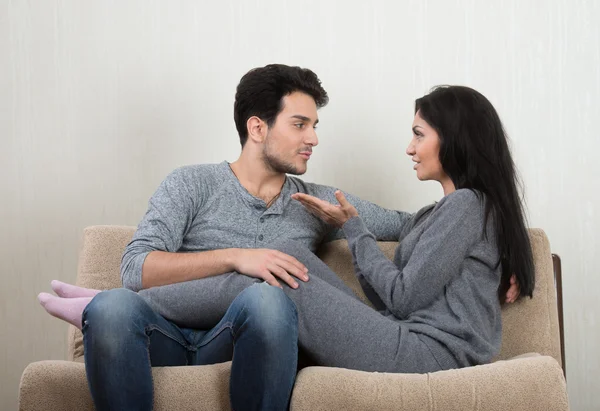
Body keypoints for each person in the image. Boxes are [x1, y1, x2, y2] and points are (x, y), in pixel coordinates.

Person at [38, 67, 522, 409]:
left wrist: (508, 256)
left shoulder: (322, 201)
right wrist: (240, 257)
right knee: (279, 256)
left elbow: (410, 235)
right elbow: (429, 236)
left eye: (315, 125)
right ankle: (111, 304)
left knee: (273, 279)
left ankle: (104, 303)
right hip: (172, 336)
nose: (313, 138)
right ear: (257, 127)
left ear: (453, 139)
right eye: (300, 124)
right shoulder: (191, 183)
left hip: (386, 347)